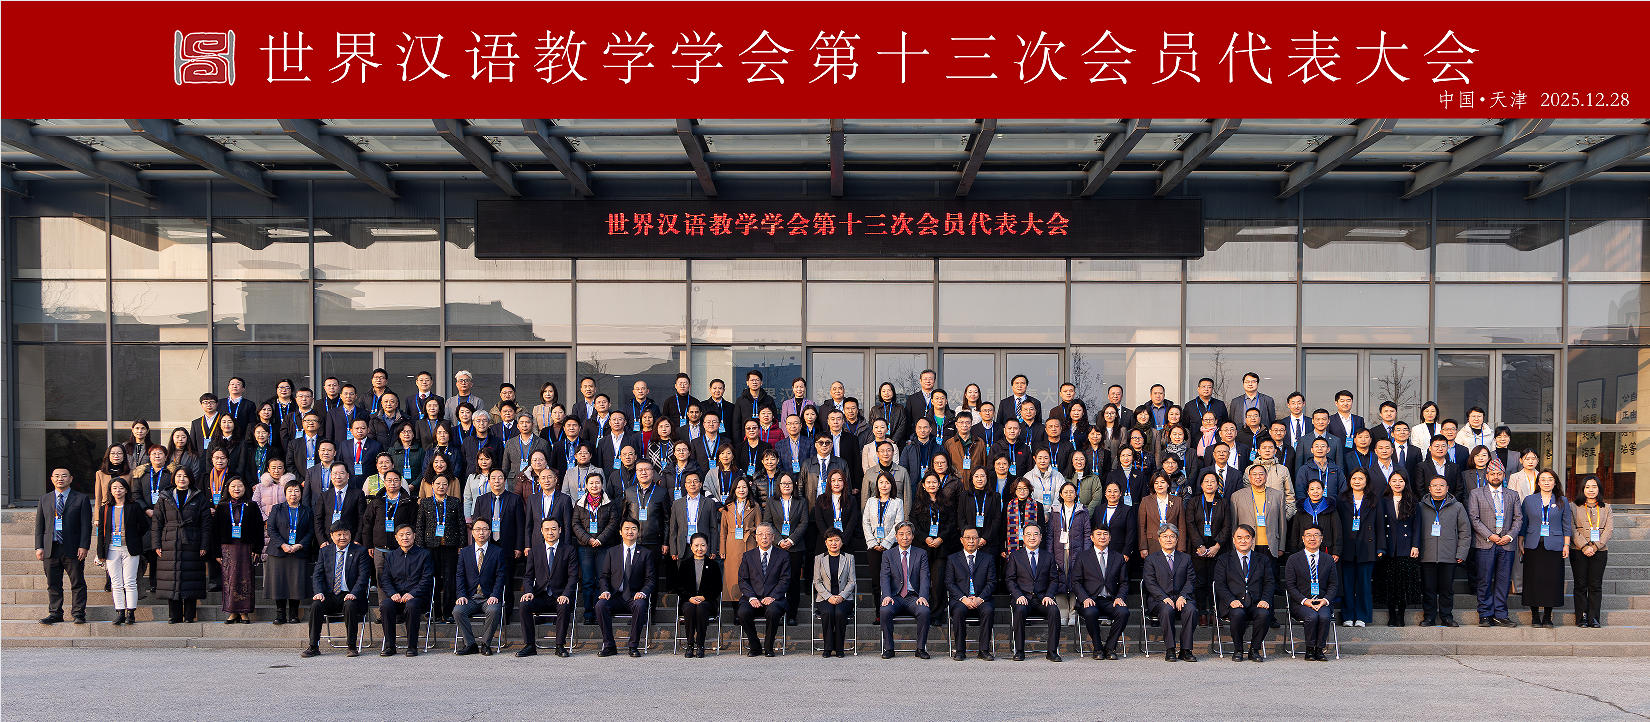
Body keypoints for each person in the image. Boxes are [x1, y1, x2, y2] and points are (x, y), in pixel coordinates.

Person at [300, 523, 370, 658]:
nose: (342, 537)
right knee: (316, 605)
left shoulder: (360, 551)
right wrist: (319, 592)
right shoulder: (325, 551)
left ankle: (351, 646)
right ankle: (313, 646)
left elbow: (363, 577)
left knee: (350, 605)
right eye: (339, 534)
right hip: (330, 595)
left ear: (350, 535)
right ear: (332, 536)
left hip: (351, 595)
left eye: (345, 534)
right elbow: (318, 575)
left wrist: (354, 593)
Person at [154, 467, 212, 624]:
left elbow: (206, 524)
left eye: (185, 476)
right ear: (173, 478)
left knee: (191, 579)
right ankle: (174, 615)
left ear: (190, 479)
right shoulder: (165, 497)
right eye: (179, 476)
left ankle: (189, 615)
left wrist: (204, 545)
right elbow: (157, 522)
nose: (182, 479)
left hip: (192, 541)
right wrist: (157, 544)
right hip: (169, 541)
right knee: (171, 578)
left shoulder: (198, 497)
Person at [36, 467, 93, 625]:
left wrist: (84, 546)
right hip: (51, 548)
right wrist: (39, 547)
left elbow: (86, 526)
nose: (60, 478)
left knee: (77, 582)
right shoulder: (45, 499)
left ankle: (78, 613)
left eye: (64, 476)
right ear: (51, 479)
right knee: (53, 583)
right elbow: (39, 525)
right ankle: (55, 613)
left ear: (71, 478)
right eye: (56, 476)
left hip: (73, 548)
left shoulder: (81, 498)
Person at [1467, 465, 1522, 627]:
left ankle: (1501, 614)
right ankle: (1485, 614)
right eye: (1492, 474)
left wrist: (1509, 536)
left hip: (1507, 544)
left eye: (1499, 474)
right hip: (1485, 543)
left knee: (1503, 581)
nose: (1496, 476)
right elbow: (1474, 518)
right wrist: (1490, 535)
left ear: (1504, 475)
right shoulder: (1476, 493)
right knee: (1484, 580)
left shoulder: (1513, 494)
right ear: (1487, 475)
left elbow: (1518, 518)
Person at [516, 517, 579, 657]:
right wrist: (528, 591)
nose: (550, 532)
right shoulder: (535, 551)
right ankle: (530, 645)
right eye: (547, 529)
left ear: (560, 530)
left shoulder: (569, 550)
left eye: (554, 529)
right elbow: (528, 576)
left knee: (563, 606)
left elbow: (573, 577)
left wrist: (566, 594)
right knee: (524, 604)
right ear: (541, 531)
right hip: (540, 595)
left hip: (560, 595)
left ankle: (560, 646)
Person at [1518, 470, 1572, 628]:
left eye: (1550, 479)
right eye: (1543, 479)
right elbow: (1524, 523)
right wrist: (1520, 542)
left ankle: (1548, 616)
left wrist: (1566, 545)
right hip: (1533, 545)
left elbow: (1566, 525)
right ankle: (1535, 616)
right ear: (1538, 482)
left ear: (1555, 482)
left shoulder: (1562, 500)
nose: (1547, 482)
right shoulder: (1529, 500)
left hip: (1554, 546)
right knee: (1533, 580)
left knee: (1551, 581)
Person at [596, 519, 656, 657]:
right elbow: (604, 576)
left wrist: (643, 592)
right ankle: (609, 645)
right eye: (627, 528)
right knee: (600, 605)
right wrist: (605, 591)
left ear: (638, 532)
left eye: (633, 528)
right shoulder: (612, 552)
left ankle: (633, 646)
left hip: (634, 596)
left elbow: (651, 579)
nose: (630, 531)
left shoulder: (646, 553)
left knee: (640, 605)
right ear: (620, 532)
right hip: (615, 595)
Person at [1416, 476, 1471, 627]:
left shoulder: (1457, 506)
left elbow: (1465, 531)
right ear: (1429, 488)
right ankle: (1429, 617)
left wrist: (1461, 553)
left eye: (1442, 485)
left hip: (1449, 555)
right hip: (1427, 555)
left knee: (1447, 589)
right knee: (1428, 589)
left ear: (1447, 488)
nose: (1438, 488)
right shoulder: (1420, 506)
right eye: (1435, 485)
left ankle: (1447, 617)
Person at [94, 477, 149, 625]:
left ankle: (131, 612)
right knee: (116, 583)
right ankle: (120, 612)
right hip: (112, 549)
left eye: (121, 488)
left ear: (126, 490)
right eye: (114, 488)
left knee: (130, 582)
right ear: (110, 491)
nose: (118, 491)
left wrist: (134, 536)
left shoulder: (134, 506)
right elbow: (101, 532)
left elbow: (144, 525)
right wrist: (100, 553)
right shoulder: (105, 508)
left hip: (130, 549)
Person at [1069, 526, 1130, 660]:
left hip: (1110, 600)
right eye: (1098, 534)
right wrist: (1084, 598)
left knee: (1123, 612)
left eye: (1105, 534)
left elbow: (1124, 582)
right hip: (1090, 599)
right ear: (1092, 538)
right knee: (1091, 612)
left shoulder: (1118, 557)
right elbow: (1076, 582)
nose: (1102, 537)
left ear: (1110, 538)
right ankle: (1097, 647)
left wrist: (1120, 597)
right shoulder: (1083, 556)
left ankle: (1110, 647)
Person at [1215, 524, 1274, 661]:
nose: (1243, 541)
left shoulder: (1262, 559)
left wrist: (1265, 599)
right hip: (1234, 603)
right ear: (1233, 540)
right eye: (1239, 537)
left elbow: (1269, 582)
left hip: (1256, 602)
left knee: (1264, 614)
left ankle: (1254, 649)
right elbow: (1220, 585)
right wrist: (1231, 600)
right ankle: (1238, 649)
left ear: (1252, 540)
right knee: (1237, 614)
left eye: (1247, 537)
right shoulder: (1224, 559)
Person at [453, 518, 508, 655]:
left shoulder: (497, 551)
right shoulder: (465, 552)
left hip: (488, 597)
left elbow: (501, 576)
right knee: (458, 611)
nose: (481, 532)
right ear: (472, 532)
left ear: (490, 532)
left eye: (484, 529)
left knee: (494, 610)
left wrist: (495, 595)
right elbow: (460, 575)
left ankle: (485, 644)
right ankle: (470, 644)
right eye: (477, 529)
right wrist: (461, 595)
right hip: (470, 597)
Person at [1143, 525, 1198, 661]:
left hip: (1181, 598)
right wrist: (1163, 597)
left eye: (1172, 536)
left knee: (1191, 609)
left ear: (1177, 539)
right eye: (1165, 536)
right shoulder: (1151, 559)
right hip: (1159, 600)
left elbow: (1191, 580)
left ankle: (1186, 650)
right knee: (1167, 610)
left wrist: (1183, 596)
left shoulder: (1185, 558)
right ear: (1159, 539)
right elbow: (1150, 582)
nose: (1169, 539)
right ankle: (1170, 649)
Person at [878, 522, 932, 659]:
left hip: (914, 597)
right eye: (901, 534)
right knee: (885, 610)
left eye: (908, 534)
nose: (905, 537)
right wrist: (886, 595)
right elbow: (884, 577)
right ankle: (889, 648)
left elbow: (925, 577)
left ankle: (920, 648)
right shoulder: (888, 554)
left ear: (913, 536)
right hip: (894, 597)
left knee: (924, 611)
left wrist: (923, 596)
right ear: (896, 536)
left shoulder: (921, 553)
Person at [1338, 469, 1385, 628]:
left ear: (1366, 481)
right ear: (1349, 480)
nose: (1357, 481)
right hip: (1347, 546)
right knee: (1347, 584)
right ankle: (1348, 616)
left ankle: (1362, 616)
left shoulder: (1374, 499)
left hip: (1367, 546)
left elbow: (1380, 525)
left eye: (1361, 478)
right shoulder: (1342, 499)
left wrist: (1381, 547)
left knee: (1364, 585)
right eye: (1354, 478)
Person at [1285, 526, 1339, 661]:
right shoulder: (1293, 559)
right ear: (1303, 539)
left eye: (1316, 535)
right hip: (1301, 603)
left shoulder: (1328, 559)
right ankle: (1310, 649)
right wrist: (1304, 600)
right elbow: (1290, 585)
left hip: (1322, 601)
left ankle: (1319, 650)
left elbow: (1333, 584)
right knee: (1312, 616)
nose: (1312, 538)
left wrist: (1325, 600)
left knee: (1324, 616)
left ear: (1321, 539)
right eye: (1308, 535)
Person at [379, 524, 434, 657]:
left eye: (408, 534)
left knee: (411, 605)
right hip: (397, 597)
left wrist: (412, 593)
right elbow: (385, 579)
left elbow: (427, 579)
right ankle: (390, 646)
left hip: (417, 598)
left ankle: (412, 646)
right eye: (401, 535)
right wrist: (392, 593)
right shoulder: (391, 556)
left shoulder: (424, 554)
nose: (405, 537)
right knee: (386, 605)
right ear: (396, 538)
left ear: (414, 536)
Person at [214, 477, 263, 623]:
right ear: (228, 488)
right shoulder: (222, 506)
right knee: (230, 580)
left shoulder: (252, 505)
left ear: (245, 488)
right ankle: (232, 611)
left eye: (240, 486)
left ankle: (244, 612)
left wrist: (257, 549)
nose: (236, 489)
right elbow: (215, 531)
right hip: (227, 549)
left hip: (246, 548)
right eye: (233, 486)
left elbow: (258, 528)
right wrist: (216, 552)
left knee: (245, 580)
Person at [417, 476, 465, 624]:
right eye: (438, 483)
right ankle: (435, 612)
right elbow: (420, 526)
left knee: (450, 579)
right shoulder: (425, 503)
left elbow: (461, 524)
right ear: (432, 485)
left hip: (450, 546)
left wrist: (461, 545)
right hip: (430, 547)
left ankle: (449, 612)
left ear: (448, 486)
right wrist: (420, 547)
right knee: (433, 579)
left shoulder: (455, 502)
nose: (441, 486)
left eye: (444, 484)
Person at [737, 523, 790, 657]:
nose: (764, 537)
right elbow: (743, 580)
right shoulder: (748, 556)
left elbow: (785, 579)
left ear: (773, 537)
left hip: (774, 599)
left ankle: (768, 647)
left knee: (773, 611)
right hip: (752, 598)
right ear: (756, 537)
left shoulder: (783, 555)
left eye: (767, 534)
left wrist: (772, 596)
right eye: (760, 534)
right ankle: (754, 646)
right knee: (743, 612)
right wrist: (752, 597)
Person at [265, 481, 313, 625]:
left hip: (298, 552)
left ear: (301, 493)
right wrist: (283, 545)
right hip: (279, 552)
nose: (293, 494)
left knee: (295, 583)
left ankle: (294, 614)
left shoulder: (307, 510)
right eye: (290, 491)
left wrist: (300, 545)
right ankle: (280, 614)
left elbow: (311, 531)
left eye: (296, 491)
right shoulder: (277, 508)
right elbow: (271, 529)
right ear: (285, 493)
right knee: (279, 583)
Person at [1377, 472, 1421, 627]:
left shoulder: (1412, 501)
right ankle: (1391, 615)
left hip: (1406, 547)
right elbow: (1380, 526)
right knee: (1390, 583)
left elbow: (1417, 526)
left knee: (1403, 584)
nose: (1397, 484)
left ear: (1405, 483)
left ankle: (1401, 615)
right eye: (1394, 481)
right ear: (1389, 483)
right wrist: (1380, 546)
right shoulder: (1383, 501)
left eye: (1400, 481)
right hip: (1388, 548)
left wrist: (1415, 545)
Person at [946, 526, 996, 661]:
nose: (971, 541)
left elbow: (992, 582)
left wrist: (980, 598)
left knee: (988, 611)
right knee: (958, 611)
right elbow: (949, 583)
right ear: (961, 540)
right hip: (961, 599)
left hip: (982, 599)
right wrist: (963, 598)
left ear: (979, 540)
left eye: (974, 538)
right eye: (968, 538)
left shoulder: (988, 558)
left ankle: (984, 650)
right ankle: (960, 651)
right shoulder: (953, 559)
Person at [672, 532, 721, 658]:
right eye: (696, 545)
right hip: (688, 600)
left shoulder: (713, 565)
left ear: (707, 546)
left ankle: (700, 644)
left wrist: (704, 597)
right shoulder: (685, 564)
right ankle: (690, 644)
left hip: (707, 602)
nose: (700, 548)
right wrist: (690, 598)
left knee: (701, 608)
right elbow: (678, 586)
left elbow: (717, 587)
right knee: (689, 608)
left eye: (703, 545)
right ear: (691, 547)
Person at [1571, 476, 1611, 628]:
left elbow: (1608, 530)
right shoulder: (1573, 506)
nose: (1591, 490)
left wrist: (1595, 547)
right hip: (1578, 551)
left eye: (1594, 487)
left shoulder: (1606, 507)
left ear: (1599, 489)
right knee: (1580, 585)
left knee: (1595, 585)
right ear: (1582, 489)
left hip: (1599, 552)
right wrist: (1584, 546)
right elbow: (1572, 528)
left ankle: (1594, 617)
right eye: (1587, 487)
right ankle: (1581, 617)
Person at [814, 529, 857, 658]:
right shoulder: (819, 559)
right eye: (830, 540)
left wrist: (842, 596)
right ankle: (827, 648)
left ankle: (839, 648)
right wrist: (829, 597)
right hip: (824, 597)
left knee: (839, 613)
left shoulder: (849, 558)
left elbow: (852, 581)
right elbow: (817, 582)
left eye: (837, 540)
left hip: (844, 598)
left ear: (842, 542)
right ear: (826, 543)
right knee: (827, 612)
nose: (834, 543)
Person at [862, 473, 904, 600]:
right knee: (876, 580)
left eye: (887, 482)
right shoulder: (871, 501)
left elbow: (898, 524)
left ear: (892, 485)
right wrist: (873, 542)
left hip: (891, 547)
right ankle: (878, 609)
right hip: (873, 547)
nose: (884, 485)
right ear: (877, 485)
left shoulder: (897, 502)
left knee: (892, 579)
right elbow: (866, 522)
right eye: (881, 482)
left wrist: (886, 543)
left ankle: (890, 608)